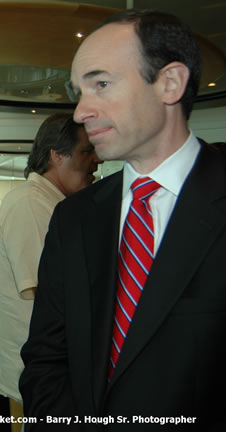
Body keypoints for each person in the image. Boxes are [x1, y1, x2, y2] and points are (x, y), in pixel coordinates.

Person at [20, 9, 226, 431]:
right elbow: (46, 357)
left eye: (101, 84)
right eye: (79, 91)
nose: (80, 112)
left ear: (169, 83)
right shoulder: (73, 218)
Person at [0, 113, 101, 428]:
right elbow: (51, 291)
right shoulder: (30, 203)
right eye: (86, 151)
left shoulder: (55, 205)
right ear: (56, 155)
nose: (96, 161)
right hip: (46, 372)